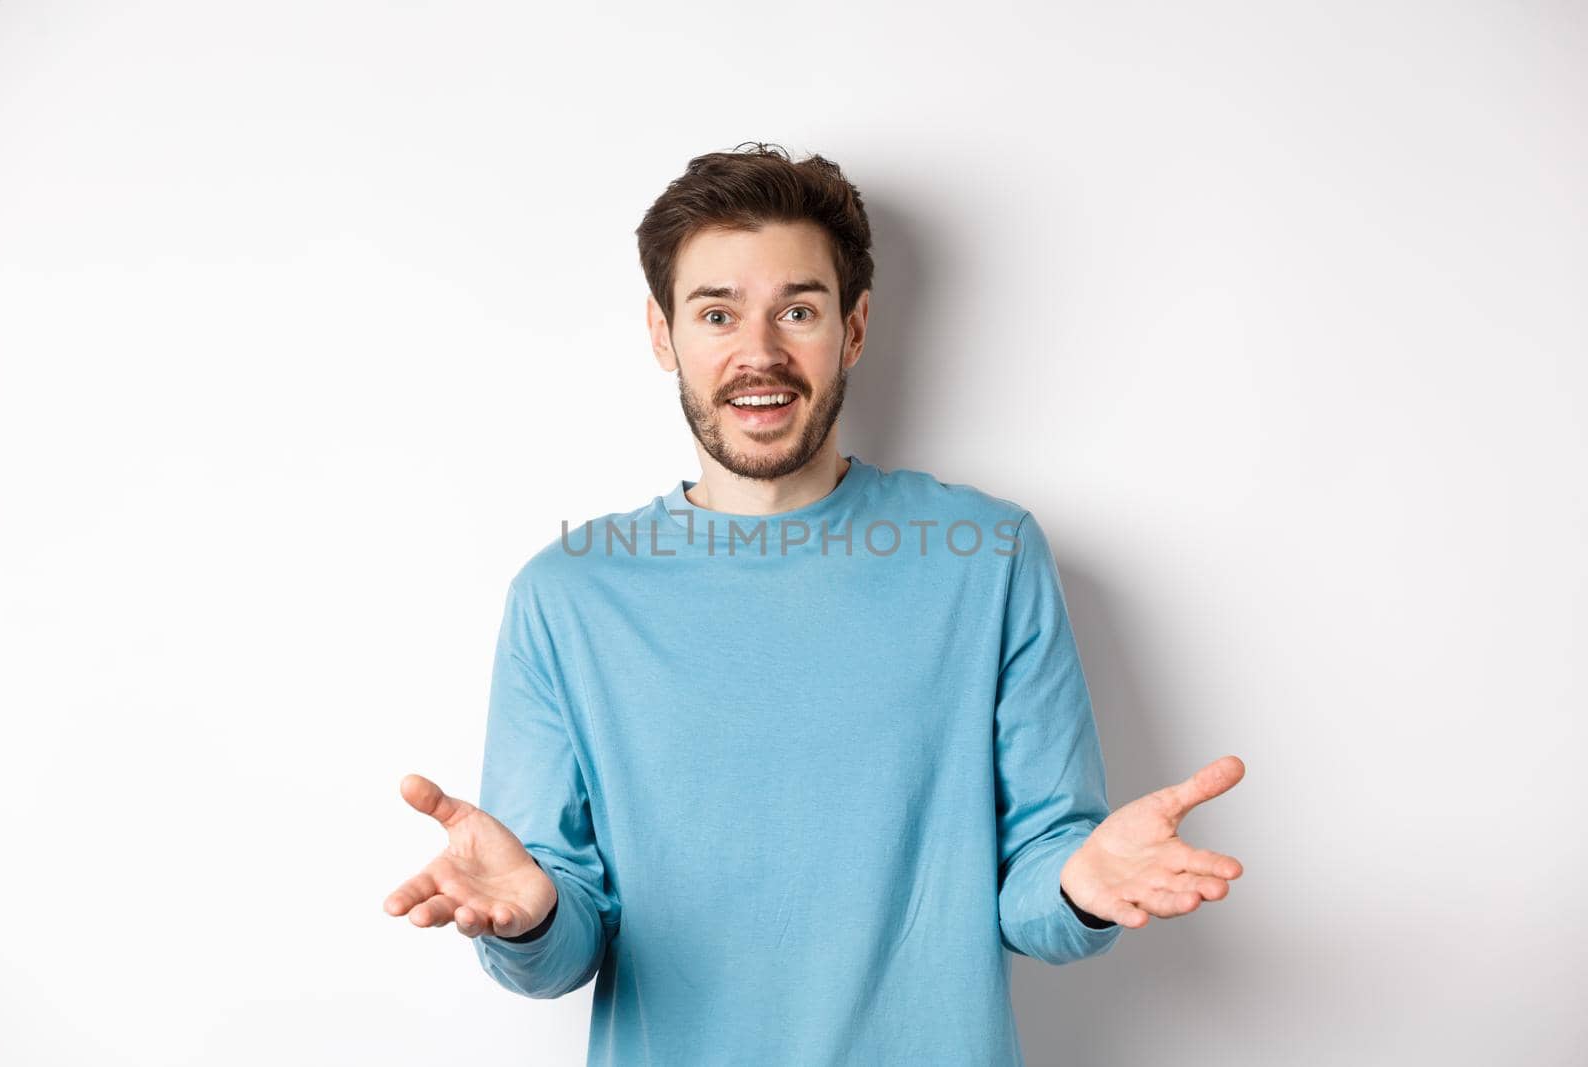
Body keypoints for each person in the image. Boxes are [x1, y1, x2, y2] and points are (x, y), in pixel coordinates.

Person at [382, 142, 1245, 1065]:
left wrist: (1079, 880)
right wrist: (528, 915)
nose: (760, 354)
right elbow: (559, 947)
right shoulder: (567, 595)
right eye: (717, 313)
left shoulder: (988, 557)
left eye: (798, 309)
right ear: (662, 333)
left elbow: (1039, 895)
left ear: (856, 327)